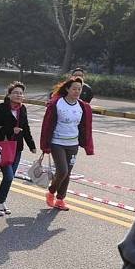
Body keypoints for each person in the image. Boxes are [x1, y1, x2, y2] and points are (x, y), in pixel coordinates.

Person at [40, 77, 94, 211]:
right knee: (62, 171)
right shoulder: (56, 103)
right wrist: (45, 145)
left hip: (73, 144)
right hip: (57, 142)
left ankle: (60, 199)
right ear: (67, 89)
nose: (77, 91)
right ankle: (51, 192)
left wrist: (87, 145)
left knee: (68, 173)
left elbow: (86, 127)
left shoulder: (83, 106)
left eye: (79, 89)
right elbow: (46, 125)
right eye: (74, 88)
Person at [0, 82, 36, 216]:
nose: (19, 95)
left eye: (21, 93)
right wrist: (10, 130)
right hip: (3, 147)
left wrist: (31, 145)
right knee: (8, 176)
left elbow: (25, 128)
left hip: (17, 147)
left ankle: (1, 202)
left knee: (10, 177)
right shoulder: (1, 108)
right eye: (16, 92)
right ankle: (0, 203)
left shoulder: (23, 109)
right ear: (9, 95)